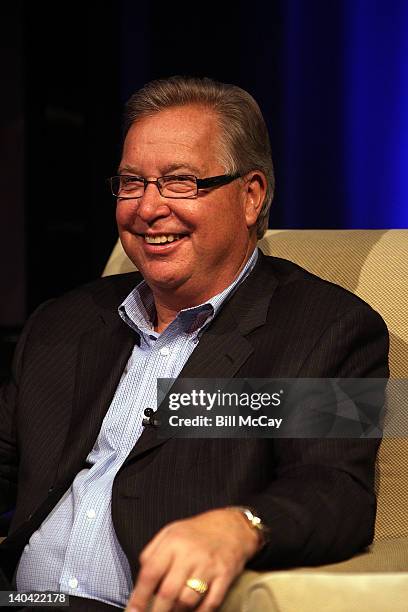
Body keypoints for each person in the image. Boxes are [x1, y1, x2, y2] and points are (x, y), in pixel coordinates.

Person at [0, 76, 388, 612]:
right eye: (131, 182)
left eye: (180, 182)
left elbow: (335, 489)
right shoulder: (65, 321)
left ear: (251, 196)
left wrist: (242, 525)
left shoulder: (325, 329)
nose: (147, 208)